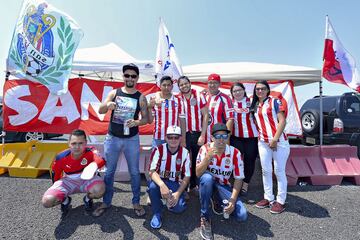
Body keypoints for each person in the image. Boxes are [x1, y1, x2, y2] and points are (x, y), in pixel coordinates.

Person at [94, 63, 149, 217]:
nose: (130, 78)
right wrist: (108, 105)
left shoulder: (141, 97)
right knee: (109, 172)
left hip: (131, 139)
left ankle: (136, 202)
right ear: (123, 76)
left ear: (137, 78)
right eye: (127, 75)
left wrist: (137, 122)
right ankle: (106, 201)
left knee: (134, 172)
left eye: (133, 76)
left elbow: (145, 119)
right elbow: (100, 109)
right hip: (113, 138)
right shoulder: (114, 93)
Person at [196, 123, 247, 240]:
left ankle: (215, 198)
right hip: (207, 183)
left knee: (242, 216)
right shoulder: (204, 149)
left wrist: (233, 200)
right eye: (217, 136)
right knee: (207, 178)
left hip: (223, 186)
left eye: (224, 136)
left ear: (228, 137)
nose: (221, 140)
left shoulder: (235, 153)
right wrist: (207, 158)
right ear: (212, 138)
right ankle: (205, 217)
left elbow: (239, 178)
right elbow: (198, 174)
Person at [41, 129, 105, 216]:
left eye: (80, 143)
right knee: (47, 201)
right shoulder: (61, 157)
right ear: (69, 143)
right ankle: (66, 200)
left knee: (100, 190)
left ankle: (87, 199)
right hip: (69, 182)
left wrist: (93, 166)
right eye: (74, 143)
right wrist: (59, 193)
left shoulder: (91, 151)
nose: (77, 147)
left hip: (87, 181)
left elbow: (101, 160)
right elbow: (55, 175)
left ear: (86, 143)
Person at [250, 80, 290, 214]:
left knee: (279, 172)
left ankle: (280, 201)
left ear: (267, 90)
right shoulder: (255, 104)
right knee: (266, 171)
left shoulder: (274, 101)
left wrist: (275, 139)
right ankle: (268, 197)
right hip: (263, 142)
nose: (259, 91)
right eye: (257, 89)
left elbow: (282, 121)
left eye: (262, 89)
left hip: (278, 142)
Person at [147, 125, 191, 229]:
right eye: (170, 137)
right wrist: (162, 185)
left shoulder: (185, 153)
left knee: (179, 208)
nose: (173, 140)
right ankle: (157, 213)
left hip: (175, 183)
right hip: (160, 181)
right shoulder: (158, 150)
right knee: (153, 187)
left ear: (180, 138)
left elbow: (187, 177)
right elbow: (152, 171)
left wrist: (178, 193)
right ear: (166, 138)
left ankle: (172, 197)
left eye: (176, 137)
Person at [177, 75, 208, 192]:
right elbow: (182, 119)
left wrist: (203, 135)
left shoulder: (199, 95)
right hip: (185, 134)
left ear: (189, 83)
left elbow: (205, 115)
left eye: (185, 83)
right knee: (184, 160)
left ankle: (194, 185)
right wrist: (183, 139)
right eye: (181, 84)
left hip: (197, 133)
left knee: (196, 160)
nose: (184, 86)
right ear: (179, 87)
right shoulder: (178, 99)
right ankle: (183, 188)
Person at [230, 82, 258, 196]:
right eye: (234, 91)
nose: (237, 93)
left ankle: (245, 184)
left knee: (249, 161)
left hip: (251, 137)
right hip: (236, 137)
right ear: (232, 93)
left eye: (239, 90)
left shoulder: (252, 101)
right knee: (235, 161)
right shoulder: (230, 103)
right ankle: (236, 183)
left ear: (244, 90)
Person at [148, 75, 186, 148]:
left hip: (174, 138)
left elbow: (182, 121)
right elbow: (150, 121)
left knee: (173, 159)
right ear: (160, 86)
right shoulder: (154, 100)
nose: (166, 87)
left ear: (172, 86)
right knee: (156, 159)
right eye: (164, 85)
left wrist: (183, 139)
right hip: (158, 138)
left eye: (168, 85)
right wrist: (149, 107)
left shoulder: (178, 100)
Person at [204, 73, 234, 143]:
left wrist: (227, 138)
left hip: (219, 137)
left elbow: (230, 119)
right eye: (210, 83)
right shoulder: (203, 97)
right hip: (204, 136)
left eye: (215, 83)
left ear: (220, 84)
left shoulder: (225, 98)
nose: (212, 85)